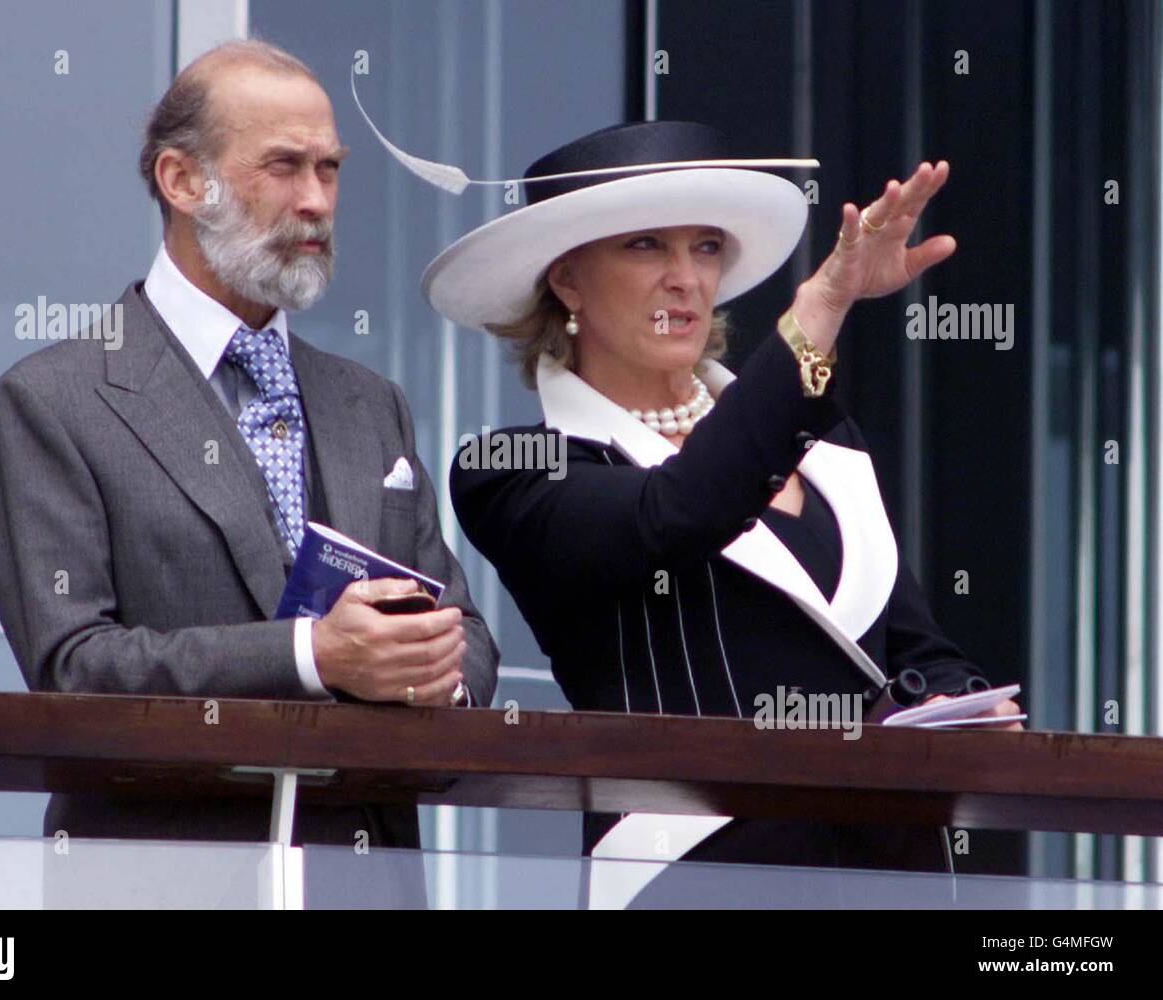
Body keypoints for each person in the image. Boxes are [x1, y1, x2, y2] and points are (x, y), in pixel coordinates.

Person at [437, 120, 1021, 904]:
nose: (685, 277)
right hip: (696, 877)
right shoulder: (513, 469)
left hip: (890, 871)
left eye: (705, 247)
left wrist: (955, 704)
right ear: (567, 281)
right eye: (646, 245)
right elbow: (679, 510)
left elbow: (911, 642)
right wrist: (821, 306)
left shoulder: (822, 433)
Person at [0, 40, 497, 902]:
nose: (317, 201)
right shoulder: (52, 400)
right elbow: (75, 668)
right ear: (183, 181)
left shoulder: (370, 403)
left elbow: (464, 635)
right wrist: (312, 654)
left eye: (330, 169)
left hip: (361, 882)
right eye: (284, 167)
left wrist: (430, 664)